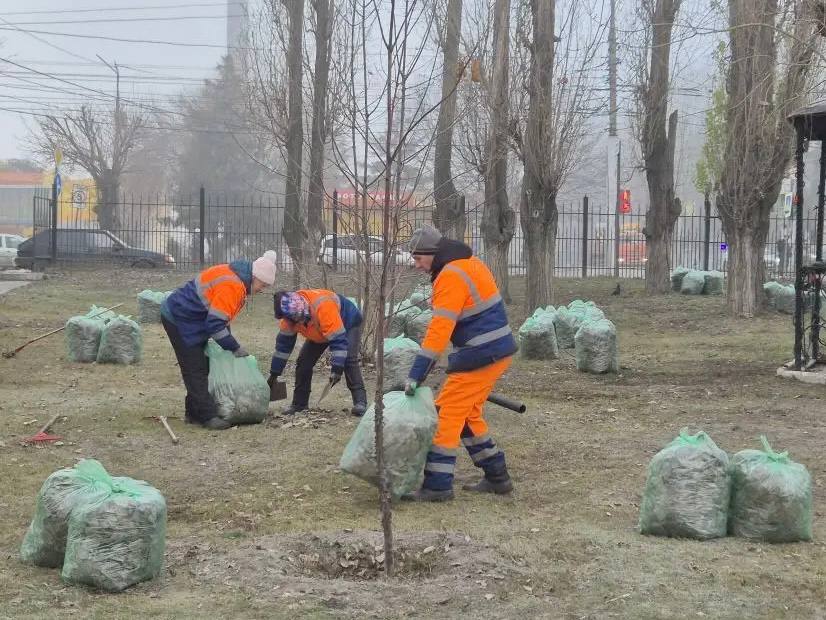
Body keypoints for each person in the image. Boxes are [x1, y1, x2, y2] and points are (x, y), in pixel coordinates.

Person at [402, 225, 517, 502]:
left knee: (446, 414)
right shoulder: (468, 263)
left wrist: (416, 374)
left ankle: (437, 486)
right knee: (467, 414)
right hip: (495, 350)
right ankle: (497, 477)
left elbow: (438, 331)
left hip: (481, 353)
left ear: (432, 253)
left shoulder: (450, 276)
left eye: (419, 259)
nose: (417, 265)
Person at [161, 251, 277, 430]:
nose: (262, 289)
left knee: (204, 365)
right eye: (263, 284)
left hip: (192, 317)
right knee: (195, 368)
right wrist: (233, 346)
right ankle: (207, 417)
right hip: (179, 317)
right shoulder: (233, 285)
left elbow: (221, 316)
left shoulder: (236, 278)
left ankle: (193, 413)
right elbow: (215, 324)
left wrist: (227, 344)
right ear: (255, 277)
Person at [269, 290, 367, 416]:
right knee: (304, 362)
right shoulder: (288, 320)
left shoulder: (323, 306)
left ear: (302, 309)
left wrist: (337, 368)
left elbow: (338, 340)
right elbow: (283, 348)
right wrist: (274, 374)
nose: (296, 323)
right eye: (293, 320)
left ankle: (360, 402)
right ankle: (299, 404)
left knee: (348, 359)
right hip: (320, 331)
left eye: (298, 319)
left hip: (347, 322)